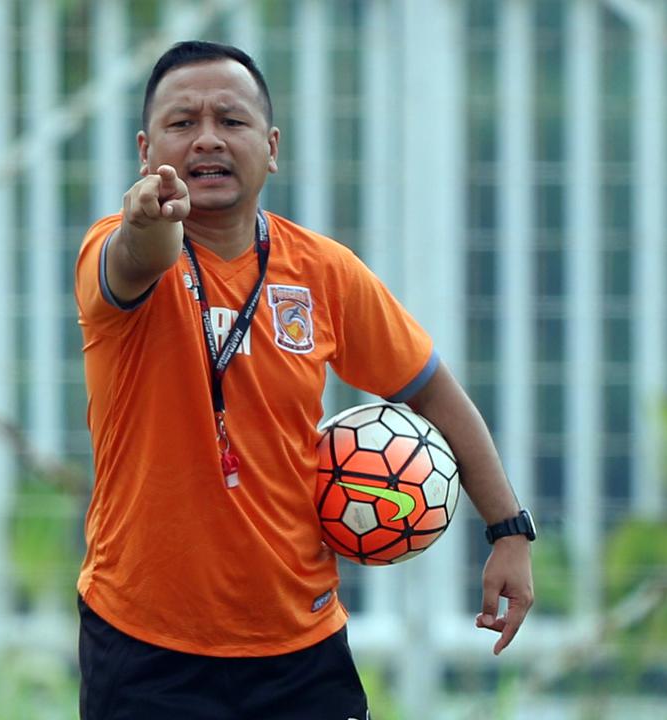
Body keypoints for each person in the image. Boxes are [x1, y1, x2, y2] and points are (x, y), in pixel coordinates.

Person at [73, 40, 535, 720]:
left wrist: (509, 529)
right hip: (145, 647)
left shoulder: (324, 272)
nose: (207, 138)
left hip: (299, 645)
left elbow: (432, 392)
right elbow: (140, 258)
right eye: (182, 123)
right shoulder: (115, 246)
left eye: (231, 121)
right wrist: (148, 220)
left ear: (272, 145)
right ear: (147, 150)